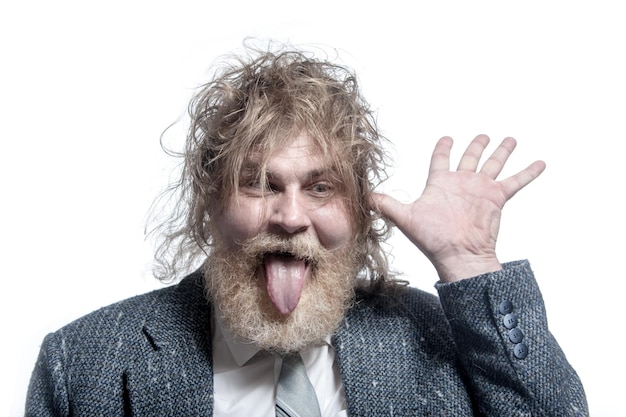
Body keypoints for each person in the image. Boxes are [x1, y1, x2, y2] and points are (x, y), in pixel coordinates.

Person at [25, 45, 588, 416]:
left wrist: (470, 264)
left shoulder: (437, 334)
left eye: (320, 187)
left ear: (360, 210)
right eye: (260, 184)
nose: (291, 217)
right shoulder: (82, 362)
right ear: (208, 201)